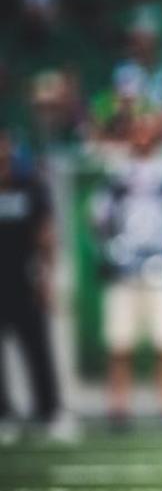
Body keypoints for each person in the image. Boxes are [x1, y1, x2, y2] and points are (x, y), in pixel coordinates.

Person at [91, 116, 162, 430]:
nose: (142, 137)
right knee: (120, 345)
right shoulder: (116, 177)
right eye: (136, 131)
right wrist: (110, 253)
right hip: (125, 271)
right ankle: (119, 408)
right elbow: (98, 220)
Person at [0, 131, 65, 444]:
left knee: (38, 350)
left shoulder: (30, 186)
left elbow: (46, 233)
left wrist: (47, 278)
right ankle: (4, 414)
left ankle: (49, 411)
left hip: (25, 281)